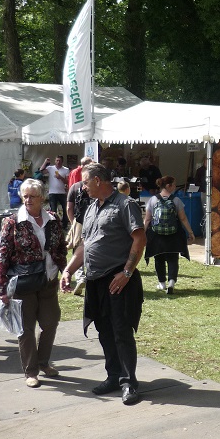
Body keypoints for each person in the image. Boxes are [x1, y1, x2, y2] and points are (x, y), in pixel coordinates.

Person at [60, 162, 146, 405]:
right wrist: (68, 270)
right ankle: (114, 376)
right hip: (95, 280)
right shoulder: (90, 208)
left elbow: (139, 239)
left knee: (121, 331)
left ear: (98, 180)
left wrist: (127, 272)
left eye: (85, 182)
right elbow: (85, 244)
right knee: (104, 330)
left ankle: (129, 383)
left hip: (118, 279)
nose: (82, 187)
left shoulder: (125, 204)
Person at [0, 178, 68, 388]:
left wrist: (65, 271)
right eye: (25, 196)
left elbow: (60, 247)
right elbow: (2, 256)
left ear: (42, 198)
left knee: (50, 322)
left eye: (32, 196)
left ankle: (44, 362)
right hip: (24, 283)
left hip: (48, 280)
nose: (27, 200)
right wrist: (2, 287)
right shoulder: (12, 222)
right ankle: (31, 371)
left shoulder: (53, 219)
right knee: (26, 328)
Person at [144, 176, 194, 293]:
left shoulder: (153, 200)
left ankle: (162, 283)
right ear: (168, 186)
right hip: (173, 235)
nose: (175, 187)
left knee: (158, 258)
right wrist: (190, 232)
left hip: (157, 235)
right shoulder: (176, 200)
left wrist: (143, 233)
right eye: (174, 184)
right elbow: (183, 218)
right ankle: (171, 282)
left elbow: (147, 219)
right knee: (173, 259)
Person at [66, 178, 93, 296]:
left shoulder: (74, 187)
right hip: (94, 222)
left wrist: (73, 223)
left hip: (79, 221)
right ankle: (91, 277)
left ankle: (80, 277)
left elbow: (69, 208)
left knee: (77, 248)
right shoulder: (96, 186)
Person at [40, 155, 70, 227]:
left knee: (65, 209)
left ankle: (65, 224)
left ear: (62, 162)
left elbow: (67, 181)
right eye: (57, 160)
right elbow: (41, 171)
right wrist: (45, 162)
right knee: (53, 210)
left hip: (62, 192)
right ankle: (54, 224)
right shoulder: (50, 168)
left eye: (59, 161)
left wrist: (60, 177)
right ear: (55, 161)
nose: (58, 162)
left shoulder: (66, 169)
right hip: (52, 192)